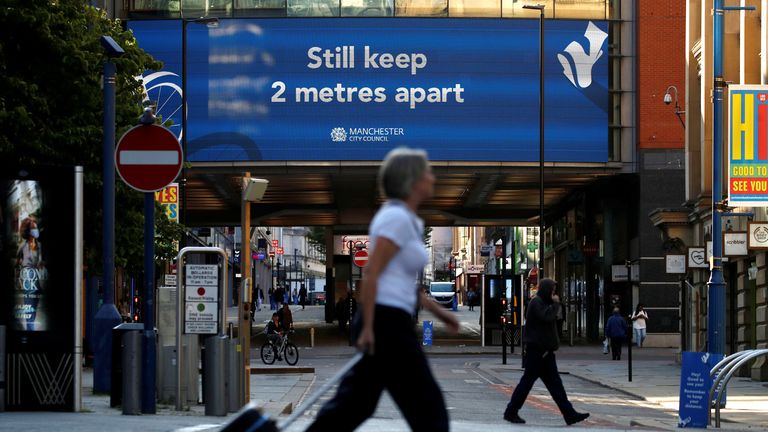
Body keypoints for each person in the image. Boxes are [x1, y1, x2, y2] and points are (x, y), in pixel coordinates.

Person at [307, 147, 459, 432]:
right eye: (425, 171)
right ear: (411, 179)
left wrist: (441, 313)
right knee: (430, 411)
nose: (431, 176)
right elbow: (372, 271)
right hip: (386, 322)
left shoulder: (408, 220)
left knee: (355, 405)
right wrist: (368, 328)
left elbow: (402, 284)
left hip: (388, 320)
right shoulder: (396, 218)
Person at [503, 278, 590, 426]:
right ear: (545, 290)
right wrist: (556, 304)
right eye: (552, 290)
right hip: (537, 352)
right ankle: (511, 412)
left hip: (546, 353)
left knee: (556, 385)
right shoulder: (536, 302)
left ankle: (569, 414)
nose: (554, 293)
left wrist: (554, 304)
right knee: (527, 383)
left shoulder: (543, 303)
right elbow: (546, 317)